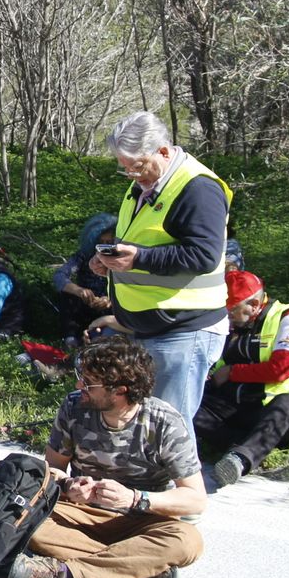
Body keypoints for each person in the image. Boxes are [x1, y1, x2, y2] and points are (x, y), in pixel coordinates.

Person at [9, 336, 205, 578]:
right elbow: (50, 472)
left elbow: (194, 499)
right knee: (22, 517)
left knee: (187, 541)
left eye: (89, 383)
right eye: (81, 377)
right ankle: (140, 571)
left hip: (141, 521)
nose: (80, 385)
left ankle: (60, 572)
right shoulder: (74, 406)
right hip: (81, 513)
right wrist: (68, 486)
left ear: (120, 391)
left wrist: (135, 498)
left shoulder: (164, 422)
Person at [92, 110, 232, 431]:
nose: (133, 175)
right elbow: (143, 240)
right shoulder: (147, 181)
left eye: (137, 166)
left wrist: (137, 259)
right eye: (125, 168)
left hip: (184, 331)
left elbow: (204, 255)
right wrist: (110, 264)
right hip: (149, 328)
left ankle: (175, 484)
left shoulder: (198, 189)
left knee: (168, 431)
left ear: (164, 151)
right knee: (145, 427)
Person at [198, 271, 289, 488]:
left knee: (287, 403)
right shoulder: (233, 325)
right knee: (190, 399)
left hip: (270, 414)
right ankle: (238, 446)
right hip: (232, 409)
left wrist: (232, 372)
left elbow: (281, 369)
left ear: (253, 304)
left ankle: (240, 460)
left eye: (232, 309)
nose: (228, 315)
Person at [54, 213, 116, 346]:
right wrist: (79, 291)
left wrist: (110, 300)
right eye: (101, 242)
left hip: (112, 309)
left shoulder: (121, 259)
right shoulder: (84, 256)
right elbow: (60, 276)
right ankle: (70, 338)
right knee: (67, 295)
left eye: (109, 243)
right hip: (84, 305)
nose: (105, 246)